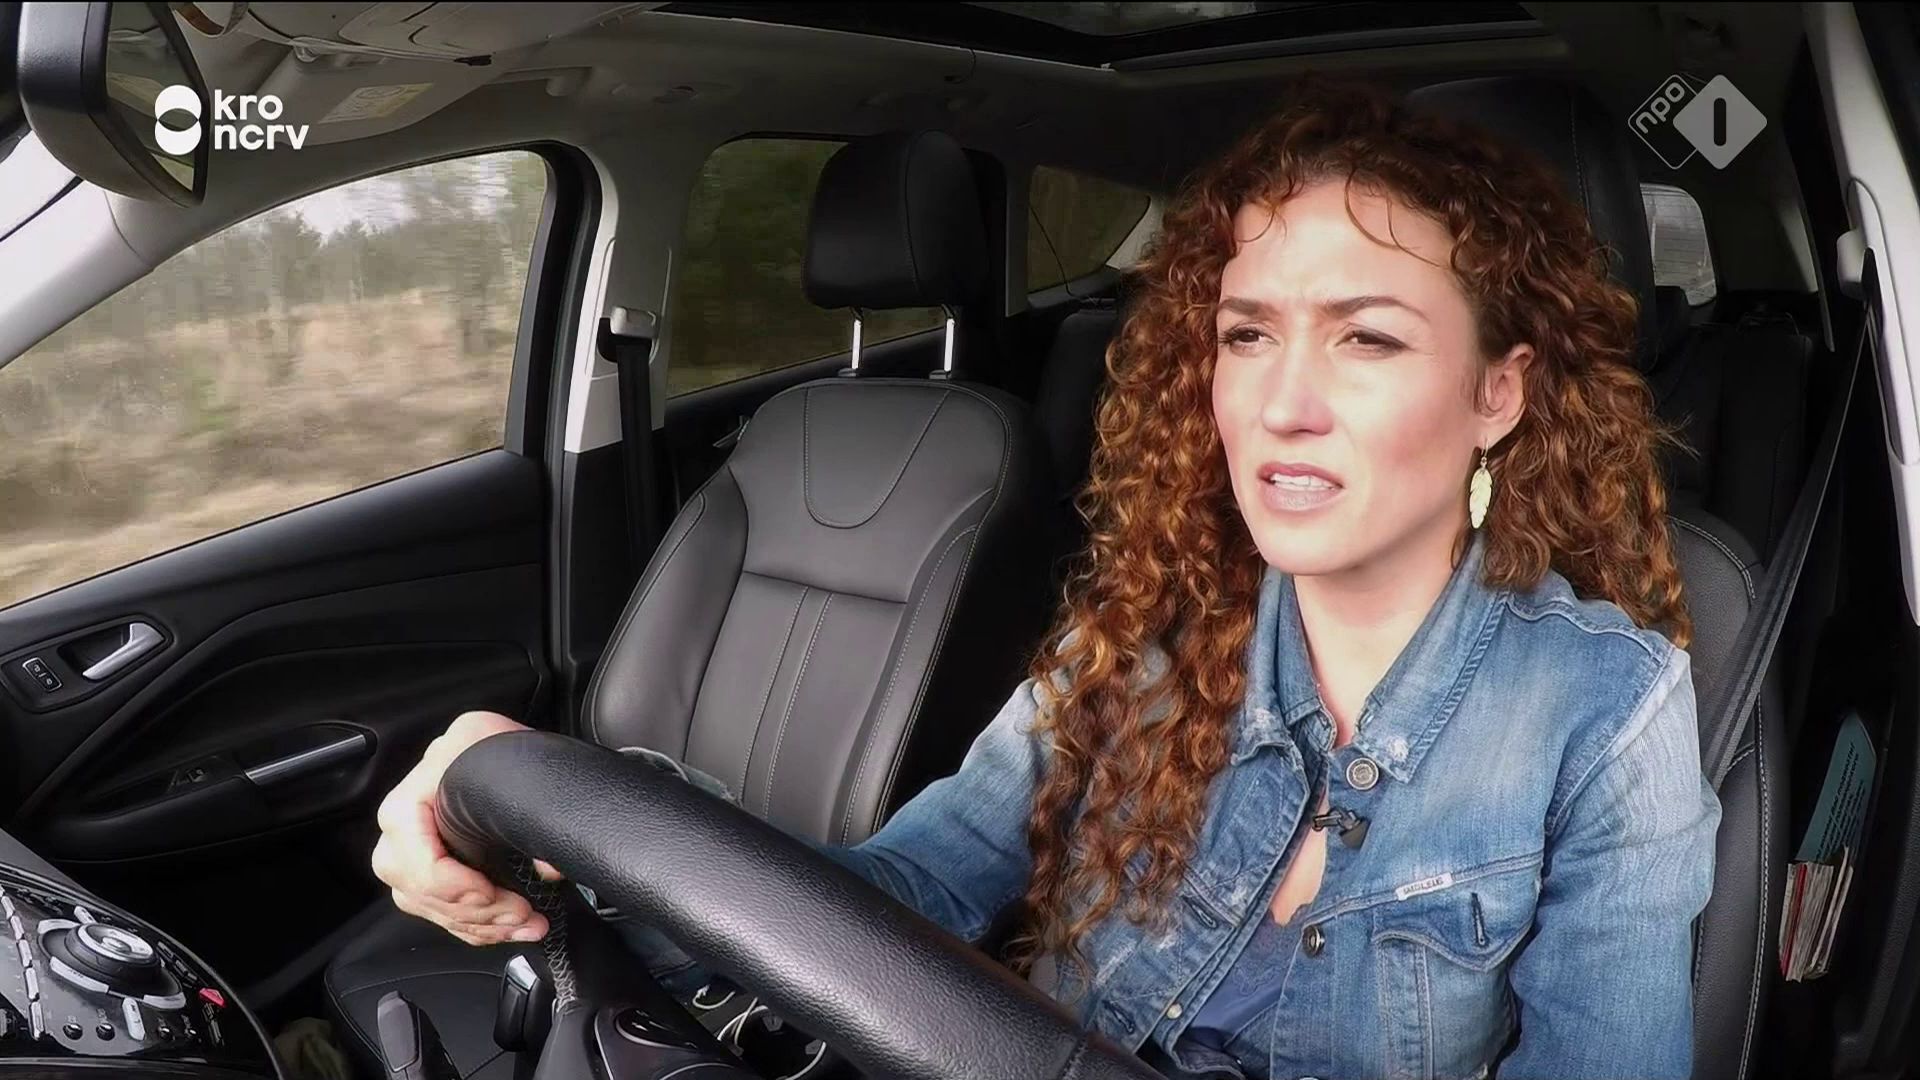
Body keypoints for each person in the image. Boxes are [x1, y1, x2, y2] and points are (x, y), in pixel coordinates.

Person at [372, 79, 1720, 1080]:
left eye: (1367, 339)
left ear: (1497, 394)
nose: (1283, 405)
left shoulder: (1605, 710)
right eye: (1248, 335)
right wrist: (561, 807)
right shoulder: (1144, 635)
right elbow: (892, 908)